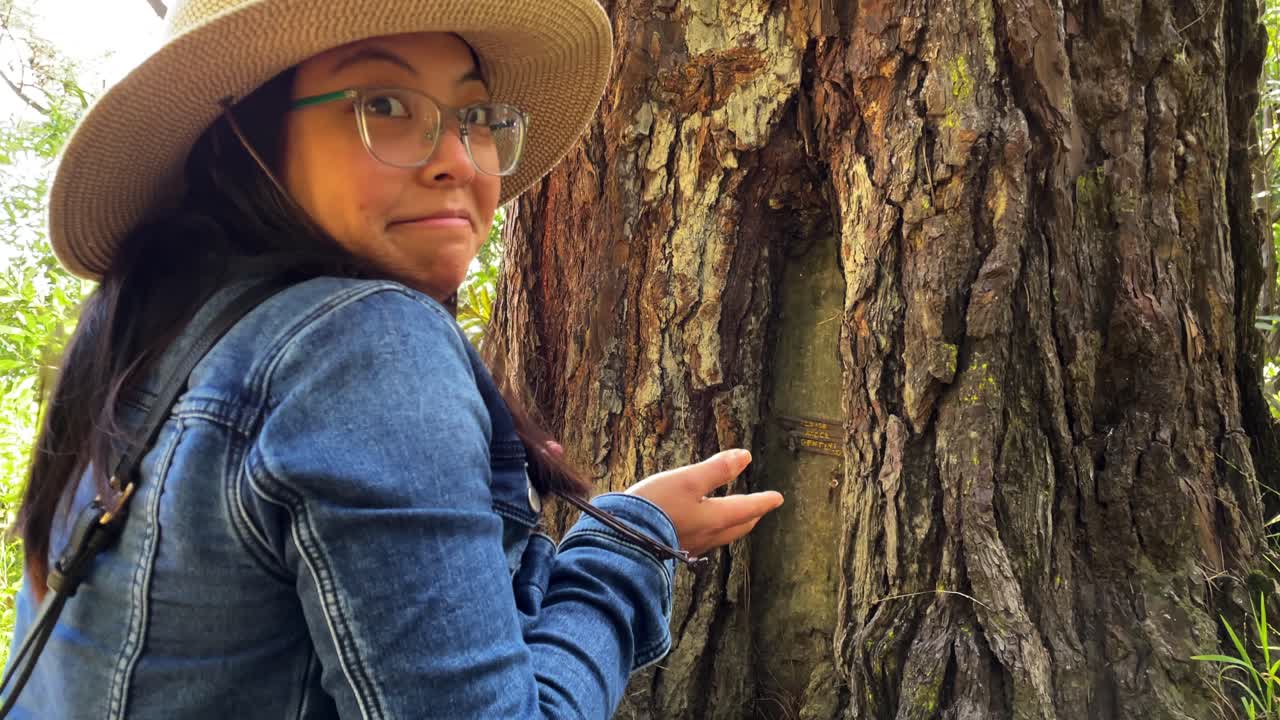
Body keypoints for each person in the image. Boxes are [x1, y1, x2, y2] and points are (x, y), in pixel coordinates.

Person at [1, 0, 784, 717]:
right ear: (246, 135)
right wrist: (625, 546)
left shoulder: (155, 331)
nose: (459, 159)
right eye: (383, 104)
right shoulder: (363, 346)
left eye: (474, 115)